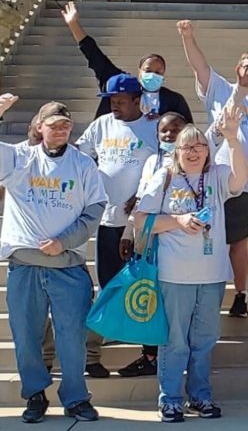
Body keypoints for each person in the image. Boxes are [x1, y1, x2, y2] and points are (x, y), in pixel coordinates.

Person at [134, 107, 248, 423]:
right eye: (187, 146)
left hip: (211, 275)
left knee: (204, 340)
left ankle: (200, 396)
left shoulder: (217, 175)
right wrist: (178, 220)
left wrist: (233, 139)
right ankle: (170, 400)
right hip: (175, 275)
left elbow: (241, 179)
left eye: (200, 145)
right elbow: (141, 220)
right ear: (177, 151)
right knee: (175, 342)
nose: (194, 151)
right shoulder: (165, 176)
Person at [0, 97, 107, 423]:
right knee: (27, 335)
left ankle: (76, 397)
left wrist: (64, 242)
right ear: (38, 127)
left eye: (66, 124)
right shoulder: (19, 158)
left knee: (72, 336)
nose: (61, 129)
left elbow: (94, 210)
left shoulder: (83, 164)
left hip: (68, 266)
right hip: (26, 265)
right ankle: (34, 395)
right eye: (54, 124)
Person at [178, 19, 248, 318]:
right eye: (247, 66)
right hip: (232, 182)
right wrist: (188, 37)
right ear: (237, 68)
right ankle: (240, 294)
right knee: (237, 244)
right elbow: (199, 66)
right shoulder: (219, 89)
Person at [75, 73, 159, 377]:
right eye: (111, 100)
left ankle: (150, 355)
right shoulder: (101, 125)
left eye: (121, 101)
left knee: (146, 288)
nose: (115, 106)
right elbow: (81, 156)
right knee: (108, 287)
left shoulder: (153, 127)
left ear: (138, 100)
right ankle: (91, 355)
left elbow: (166, 167)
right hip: (107, 221)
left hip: (143, 225)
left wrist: (142, 194)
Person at [116, 111, 188, 378]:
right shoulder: (150, 162)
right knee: (148, 299)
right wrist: (128, 233)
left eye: (176, 129)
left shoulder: (194, 161)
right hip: (148, 241)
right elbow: (141, 200)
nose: (169, 135)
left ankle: (179, 354)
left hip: (180, 243)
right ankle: (150, 355)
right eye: (164, 131)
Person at [60, 2, 193, 122]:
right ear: (139, 71)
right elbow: (93, 54)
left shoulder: (174, 100)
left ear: (164, 76)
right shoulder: (119, 83)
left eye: (158, 72)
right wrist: (73, 24)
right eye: (148, 70)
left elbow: (185, 128)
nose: (153, 75)